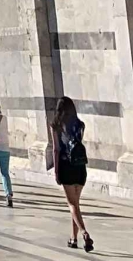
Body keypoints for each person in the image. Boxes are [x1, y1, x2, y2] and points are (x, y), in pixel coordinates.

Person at [51, 96, 93, 252]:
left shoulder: (56, 125)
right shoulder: (80, 125)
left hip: (66, 166)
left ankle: (84, 233)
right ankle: (73, 239)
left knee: (72, 205)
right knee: (76, 205)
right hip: (80, 166)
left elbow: (56, 149)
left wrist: (56, 171)